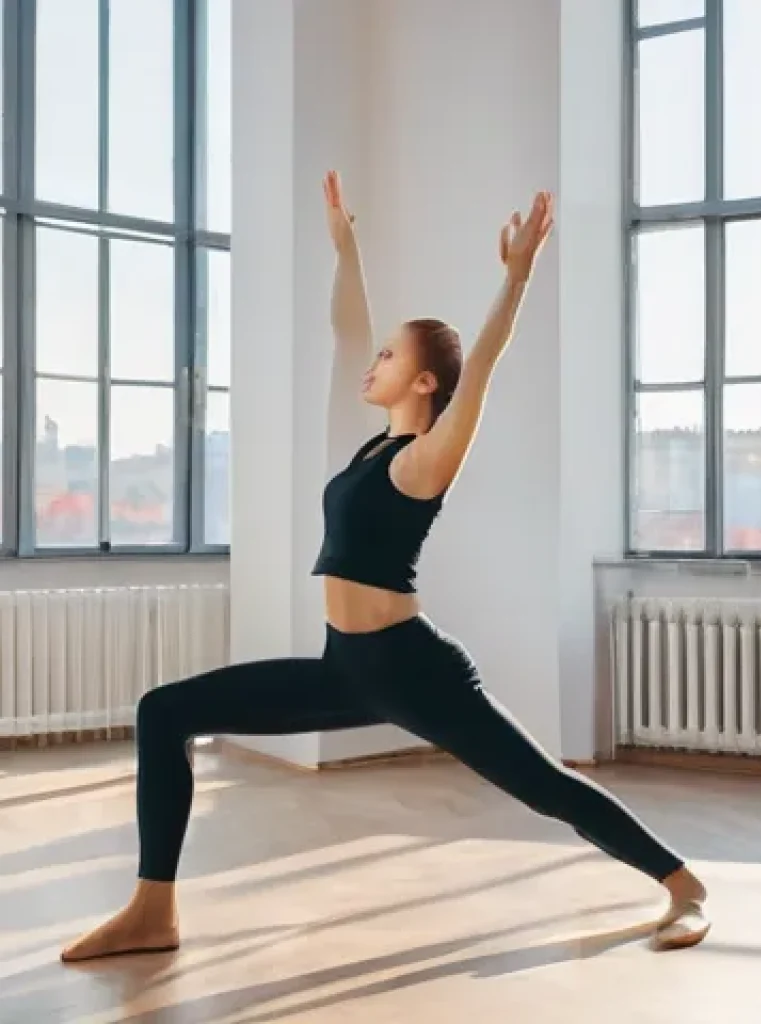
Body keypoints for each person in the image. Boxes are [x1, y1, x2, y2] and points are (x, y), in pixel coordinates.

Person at [60, 171, 709, 963]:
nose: (372, 361)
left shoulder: (427, 459)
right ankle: (152, 911)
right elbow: (345, 333)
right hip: (345, 668)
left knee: (546, 788)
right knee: (165, 712)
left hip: (415, 671)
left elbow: (484, 365)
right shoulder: (372, 448)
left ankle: (684, 887)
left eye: (390, 355)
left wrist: (516, 278)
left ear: (425, 381)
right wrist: (346, 248)